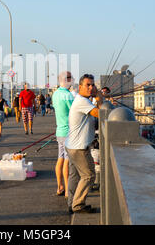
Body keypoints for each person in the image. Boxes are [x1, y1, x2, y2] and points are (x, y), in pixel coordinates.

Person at [65, 74, 102, 214]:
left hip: (72, 145)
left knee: (75, 176)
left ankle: (72, 203)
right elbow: (101, 114)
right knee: (89, 175)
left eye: (92, 85)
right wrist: (100, 99)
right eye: (88, 85)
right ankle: (78, 205)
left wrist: (96, 98)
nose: (91, 87)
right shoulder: (82, 101)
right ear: (80, 87)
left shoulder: (82, 100)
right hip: (79, 148)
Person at [52, 71, 75, 198]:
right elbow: (74, 112)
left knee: (60, 159)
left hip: (59, 131)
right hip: (68, 132)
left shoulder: (55, 94)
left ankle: (59, 187)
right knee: (67, 161)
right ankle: (67, 190)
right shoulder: (68, 95)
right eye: (71, 79)